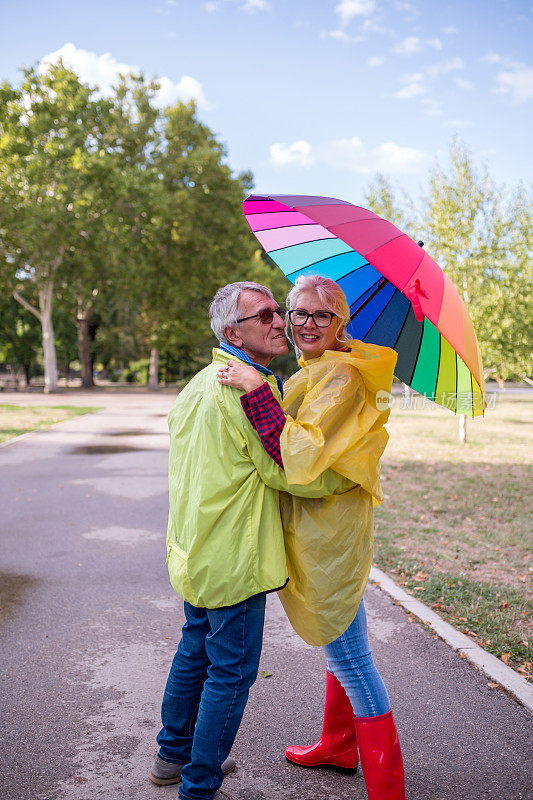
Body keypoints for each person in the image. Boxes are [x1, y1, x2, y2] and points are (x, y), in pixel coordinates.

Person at [150, 281, 355, 800]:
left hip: (195, 553)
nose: (280, 322)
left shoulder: (198, 383)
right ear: (231, 333)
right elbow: (289, 469)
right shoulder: (244, 391)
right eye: (265, 314)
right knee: (231, 672)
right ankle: (199, 784)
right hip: (234, 558)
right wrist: (351, 478)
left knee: (194, 650)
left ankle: (171, 756)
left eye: (276, 312)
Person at [218, 274, 406, 800]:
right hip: (320, 525)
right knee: (341, 638)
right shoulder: (320, 368)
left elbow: (298, 456)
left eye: (321, 315)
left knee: (350, 655)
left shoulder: (341, 376)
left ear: (340, 322)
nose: (304, 324)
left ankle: (388, 786)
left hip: (329, 531)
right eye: (296, 311)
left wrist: (258, 392)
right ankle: (339, 744)